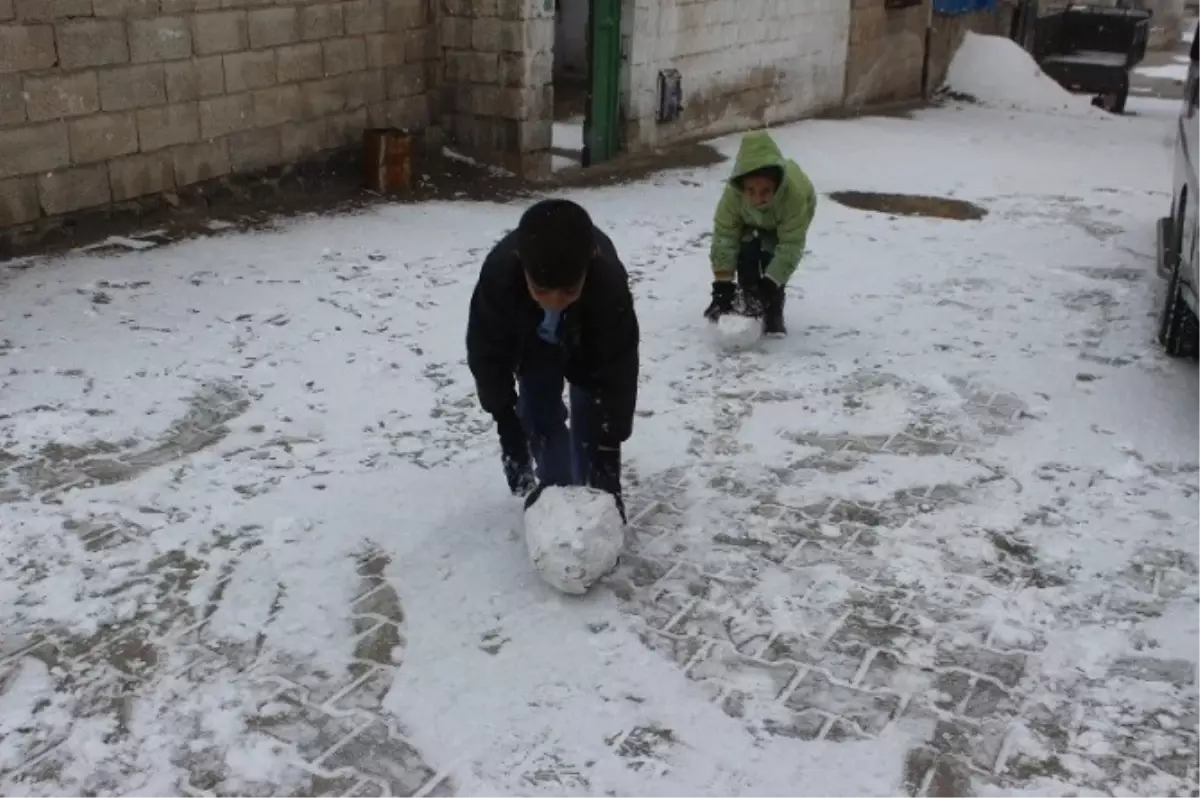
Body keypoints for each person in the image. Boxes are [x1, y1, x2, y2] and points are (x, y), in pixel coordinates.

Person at [466, 199, 640, 520]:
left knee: (592, 416)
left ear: (590, 263)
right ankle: (555, 496)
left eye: (569, 291)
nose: (555, 302)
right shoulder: (499, 277)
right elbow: (487, 352)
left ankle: (593, 498)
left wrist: (608, 450)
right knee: (538, 413)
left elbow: (618, 369)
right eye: (542, 290)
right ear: (521, 263)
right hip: (532, 346)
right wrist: (506, 420)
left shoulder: (607, 283)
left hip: (589, 345)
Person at [703, 130, 817, 337]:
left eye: (765, 191)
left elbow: (790, 247)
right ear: (741, 187)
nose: (757, 199)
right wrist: (723, 285)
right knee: (746, 252)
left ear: (778, 185)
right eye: (750, 191)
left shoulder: (794, 198)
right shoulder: (733, 198)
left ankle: (773, 312)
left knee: (772, 255)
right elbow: (724, 238)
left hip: (784, 219)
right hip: (749, 220)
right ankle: (747, 301)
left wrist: (769, 285)